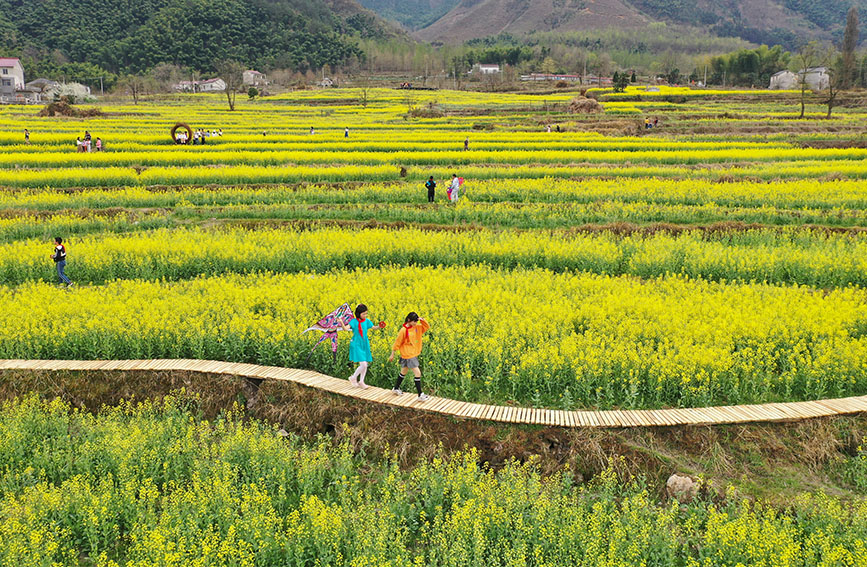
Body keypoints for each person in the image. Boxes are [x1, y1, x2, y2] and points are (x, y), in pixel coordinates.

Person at [339, 304, 385, 389]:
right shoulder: (353, 321)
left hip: (364, 344)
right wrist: (341, 322)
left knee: (365, 364)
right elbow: (345, 329)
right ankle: (353, 377)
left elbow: (373, 327)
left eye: (366, 313)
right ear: (358, 313)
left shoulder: (366, 321)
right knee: (363, 364)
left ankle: (361, 381)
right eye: (363, 314)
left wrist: (379, 326)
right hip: (356, 344)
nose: (365, 315)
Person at [389, 312, 430, 401]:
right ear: (408, 320)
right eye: (414, 321)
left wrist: (422, 320)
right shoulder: (403, 330)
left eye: (416, 321)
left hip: (411, 353)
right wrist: (392, 353)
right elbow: (397, 342)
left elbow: (426, 327)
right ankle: (420, 395)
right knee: (418, 373)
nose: (416, 323)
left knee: (404, 371)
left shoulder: (416, 327)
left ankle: (396, 388)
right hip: (408, 354)